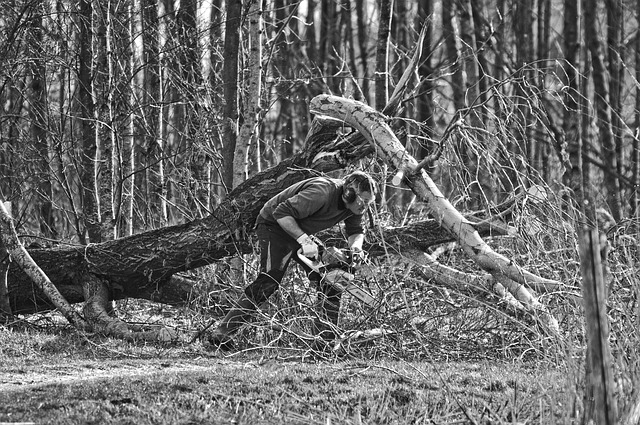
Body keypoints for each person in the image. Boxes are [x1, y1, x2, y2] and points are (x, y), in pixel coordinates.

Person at [207, 170, 378, 351]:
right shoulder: (321, 192)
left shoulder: (354, 207)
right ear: (349, 193)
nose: (365, 207)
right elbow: (280, 212)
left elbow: (356, 231)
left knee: (332, 278)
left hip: (301, 231)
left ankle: (324, 343)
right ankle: (222, 333)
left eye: (369, 203)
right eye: (363, 201)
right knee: (270, 280)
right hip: (274, 225)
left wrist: (356, 249)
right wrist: (304, 241)